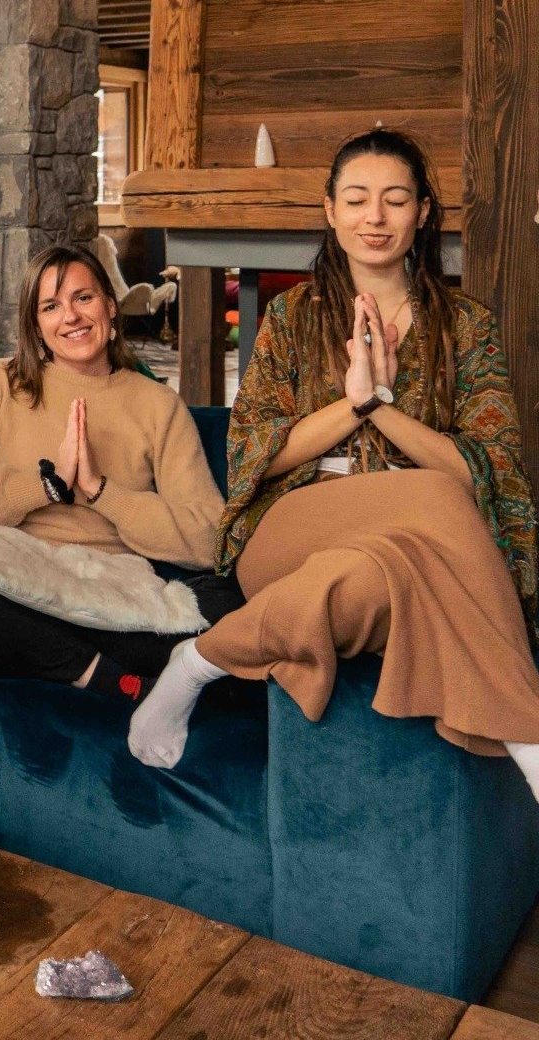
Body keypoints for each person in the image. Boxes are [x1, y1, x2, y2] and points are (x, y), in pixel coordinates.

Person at [128, 128, 539, 800]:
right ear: (330, 210)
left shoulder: (469, 326)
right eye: (357, 199)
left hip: (416, 539)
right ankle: (530, 733)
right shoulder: (289, 318)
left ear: (423, 213)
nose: (375, 217)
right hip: (292, 526)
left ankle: (198, 661)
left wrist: (380, 405)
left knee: (377, 573)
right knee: (431, 494)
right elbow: (253, 452)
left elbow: (490, 472)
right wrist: (348, 406)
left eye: (395, 200)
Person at [0, 244, 229, 704]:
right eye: (51, 307)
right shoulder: (0, 382)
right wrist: (46, 485)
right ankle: (96, 673)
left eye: (83, 298)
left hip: (109, 589)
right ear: (36, 325)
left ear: (110, 306)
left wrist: (99, 491)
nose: (70, 317)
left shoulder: (158, 405)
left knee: (226, 605)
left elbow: (208, 537)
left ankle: (13, 649)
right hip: (17, 573)